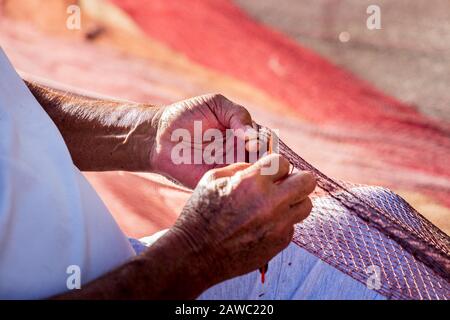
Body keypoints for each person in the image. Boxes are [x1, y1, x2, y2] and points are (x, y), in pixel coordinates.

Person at [0, 48, 383, 299]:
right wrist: (193, 255)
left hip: (135, 268)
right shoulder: (188, 259)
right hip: (158, 281)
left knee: (373, 223)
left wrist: (150, 134)